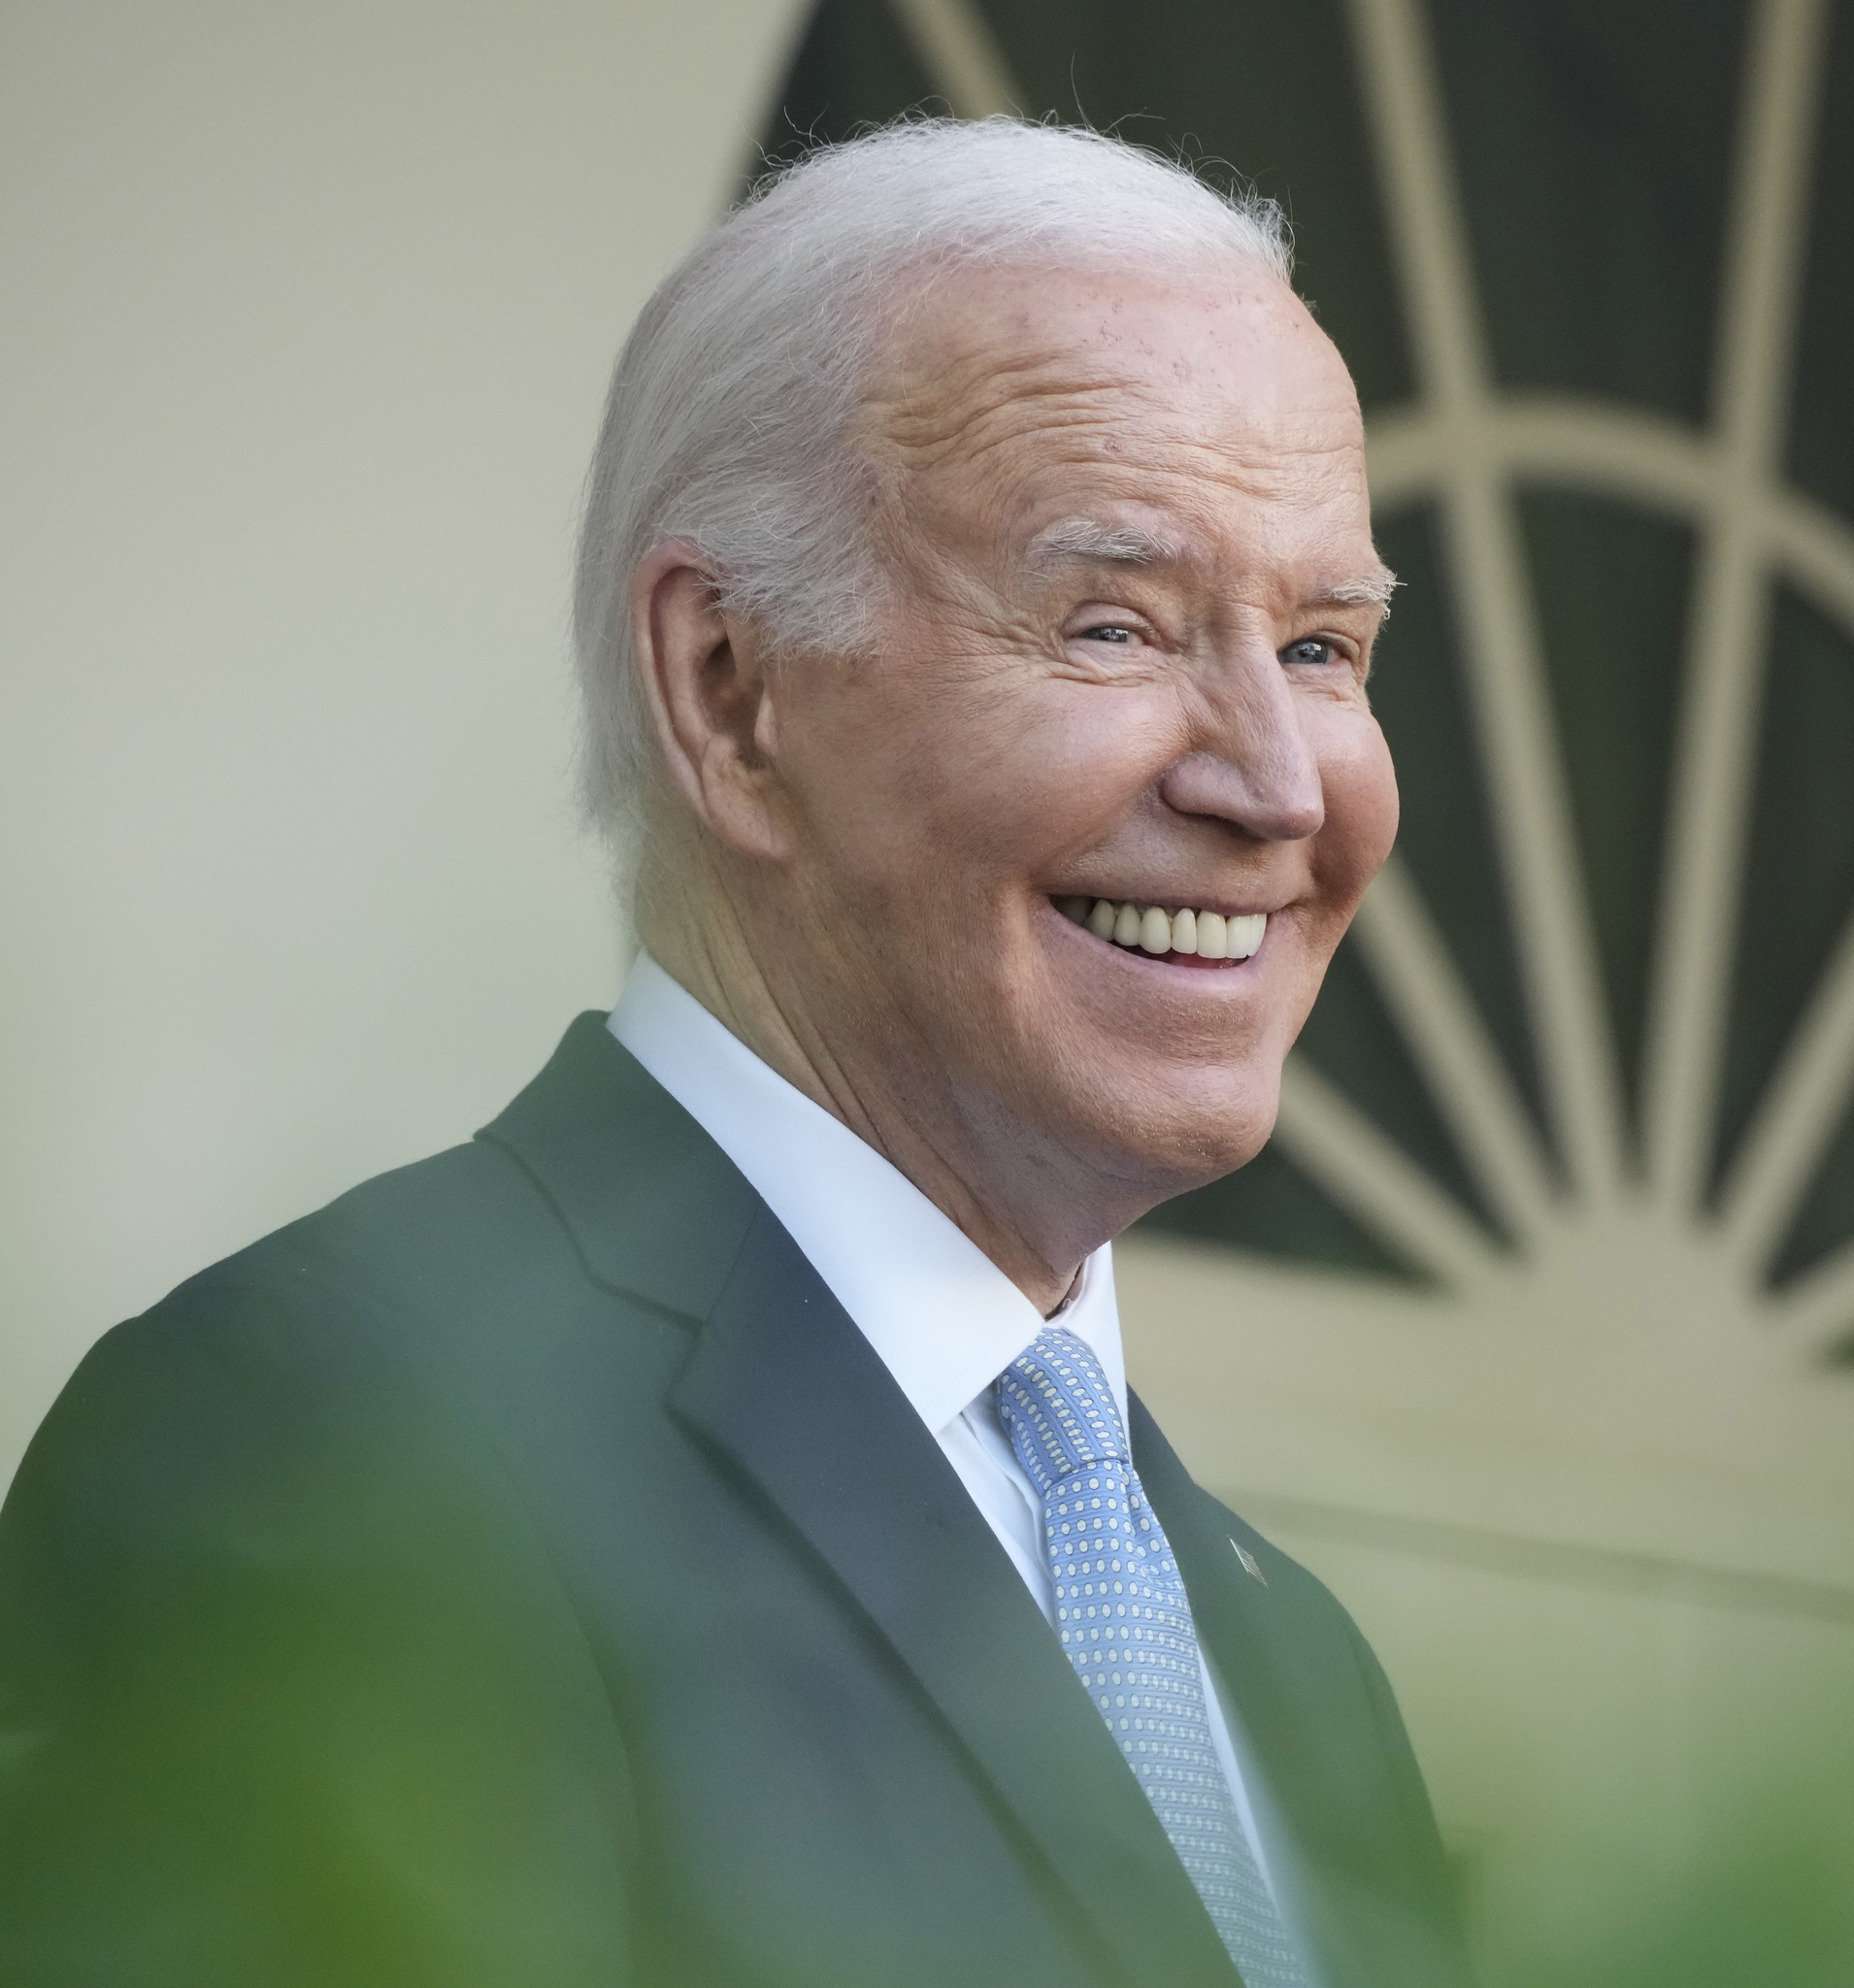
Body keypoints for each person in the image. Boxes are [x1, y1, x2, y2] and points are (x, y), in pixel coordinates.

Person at [0, 119, 1470, 1988]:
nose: (1274, 786)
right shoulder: (335, 1444)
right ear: (728, 688)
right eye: (1114, 625)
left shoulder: (1294, 1666)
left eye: (1327, 648)